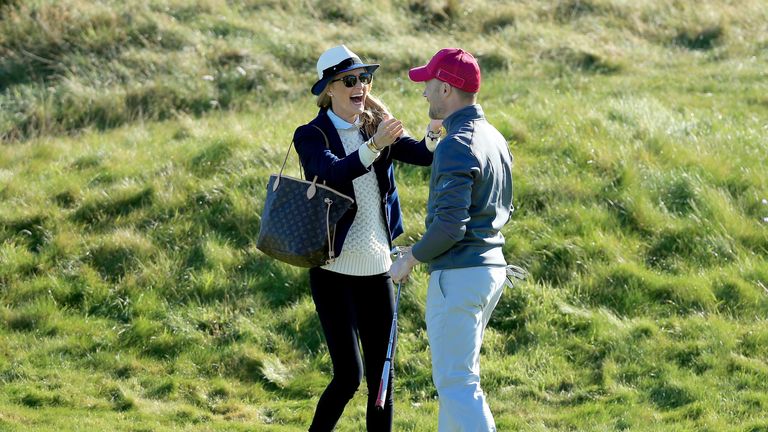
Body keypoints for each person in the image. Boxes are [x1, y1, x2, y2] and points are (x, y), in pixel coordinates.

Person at [294, 44, 442, 432]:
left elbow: (423, 155)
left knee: (382, 383)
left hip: (378, 271)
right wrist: (374, 145)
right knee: (348, 377)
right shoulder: (311, 135)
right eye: (350, 80)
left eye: (364, 78)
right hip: (332, 272)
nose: (360, 85)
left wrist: (434, 129)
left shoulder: (374, 122)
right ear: (330, 89)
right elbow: (331, 173)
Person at [390, 48, 514, 432]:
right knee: (457, 381)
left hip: (459, 274)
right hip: (488, 269)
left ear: (445, 88)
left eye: (428, 84)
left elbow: (449, 227)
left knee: (457, 383)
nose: (424, 93)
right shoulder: (494, 137)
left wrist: (410, 257)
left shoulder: (455, 143)